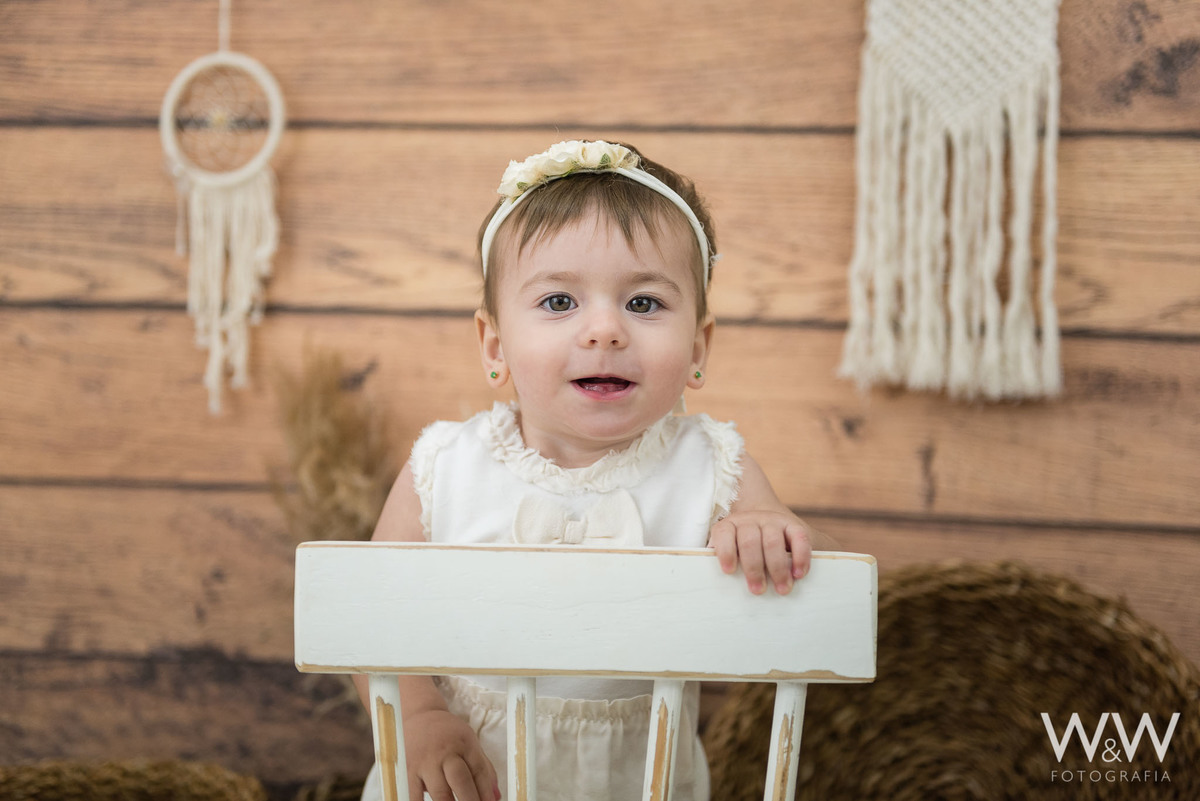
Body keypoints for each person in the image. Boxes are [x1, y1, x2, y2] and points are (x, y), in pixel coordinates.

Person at [356, 140, 817, 801]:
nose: (604, 330)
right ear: (494, 344)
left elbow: (804, 572)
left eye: (644, 304)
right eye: (559, 302)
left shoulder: (715, 463)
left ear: (699, 345)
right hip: (462, 778)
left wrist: (766, 527)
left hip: (640, 780)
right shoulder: (443, 466)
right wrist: (417, 715)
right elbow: (365, 609)